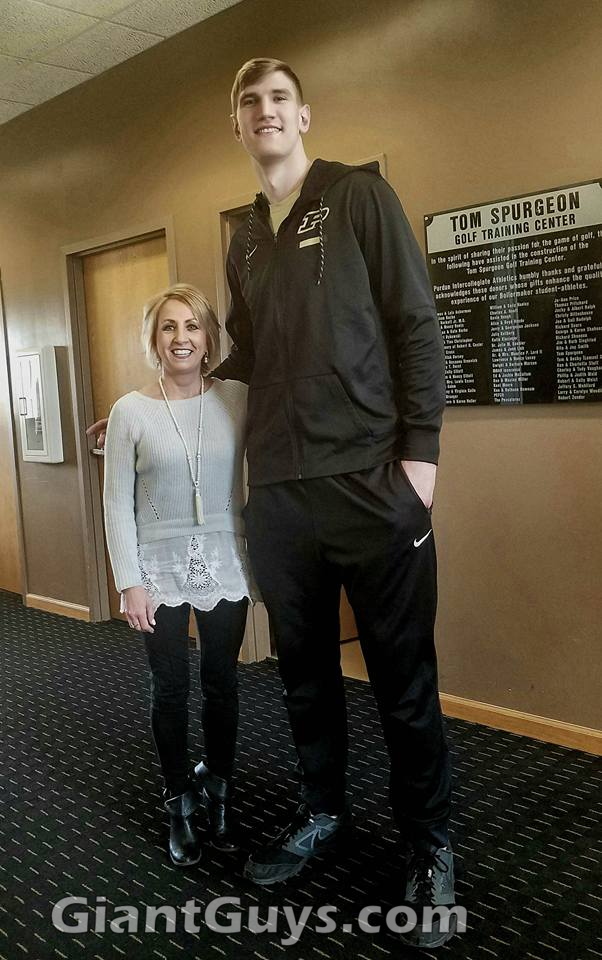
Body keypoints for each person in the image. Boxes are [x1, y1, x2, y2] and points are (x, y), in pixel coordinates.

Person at [208, 58, 455, 949]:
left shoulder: (357, 197)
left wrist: (419, 464)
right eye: (250, 102)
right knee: (305, 676)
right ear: (237, 125)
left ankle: (429, 844)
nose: (265, 112)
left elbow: (415, 324)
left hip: (372, 483)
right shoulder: (243, 238)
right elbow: (247, 358)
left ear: (304, 115)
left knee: (402, 682)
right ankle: (323, 812)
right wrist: (166, 406)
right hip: (279, 493)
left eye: (279, 98)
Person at [101, 283, 255, 867]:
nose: (181, 337)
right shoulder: (129, 411)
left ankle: (219, 790)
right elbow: (116, 503)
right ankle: (178, 802)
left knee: (222, 682)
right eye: (169, 326)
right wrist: (129, 580)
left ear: (209, 339)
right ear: (154, 339)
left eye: (192, 326)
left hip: (224, 558)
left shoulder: (238, 398)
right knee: (169, 686)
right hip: (157, 567)